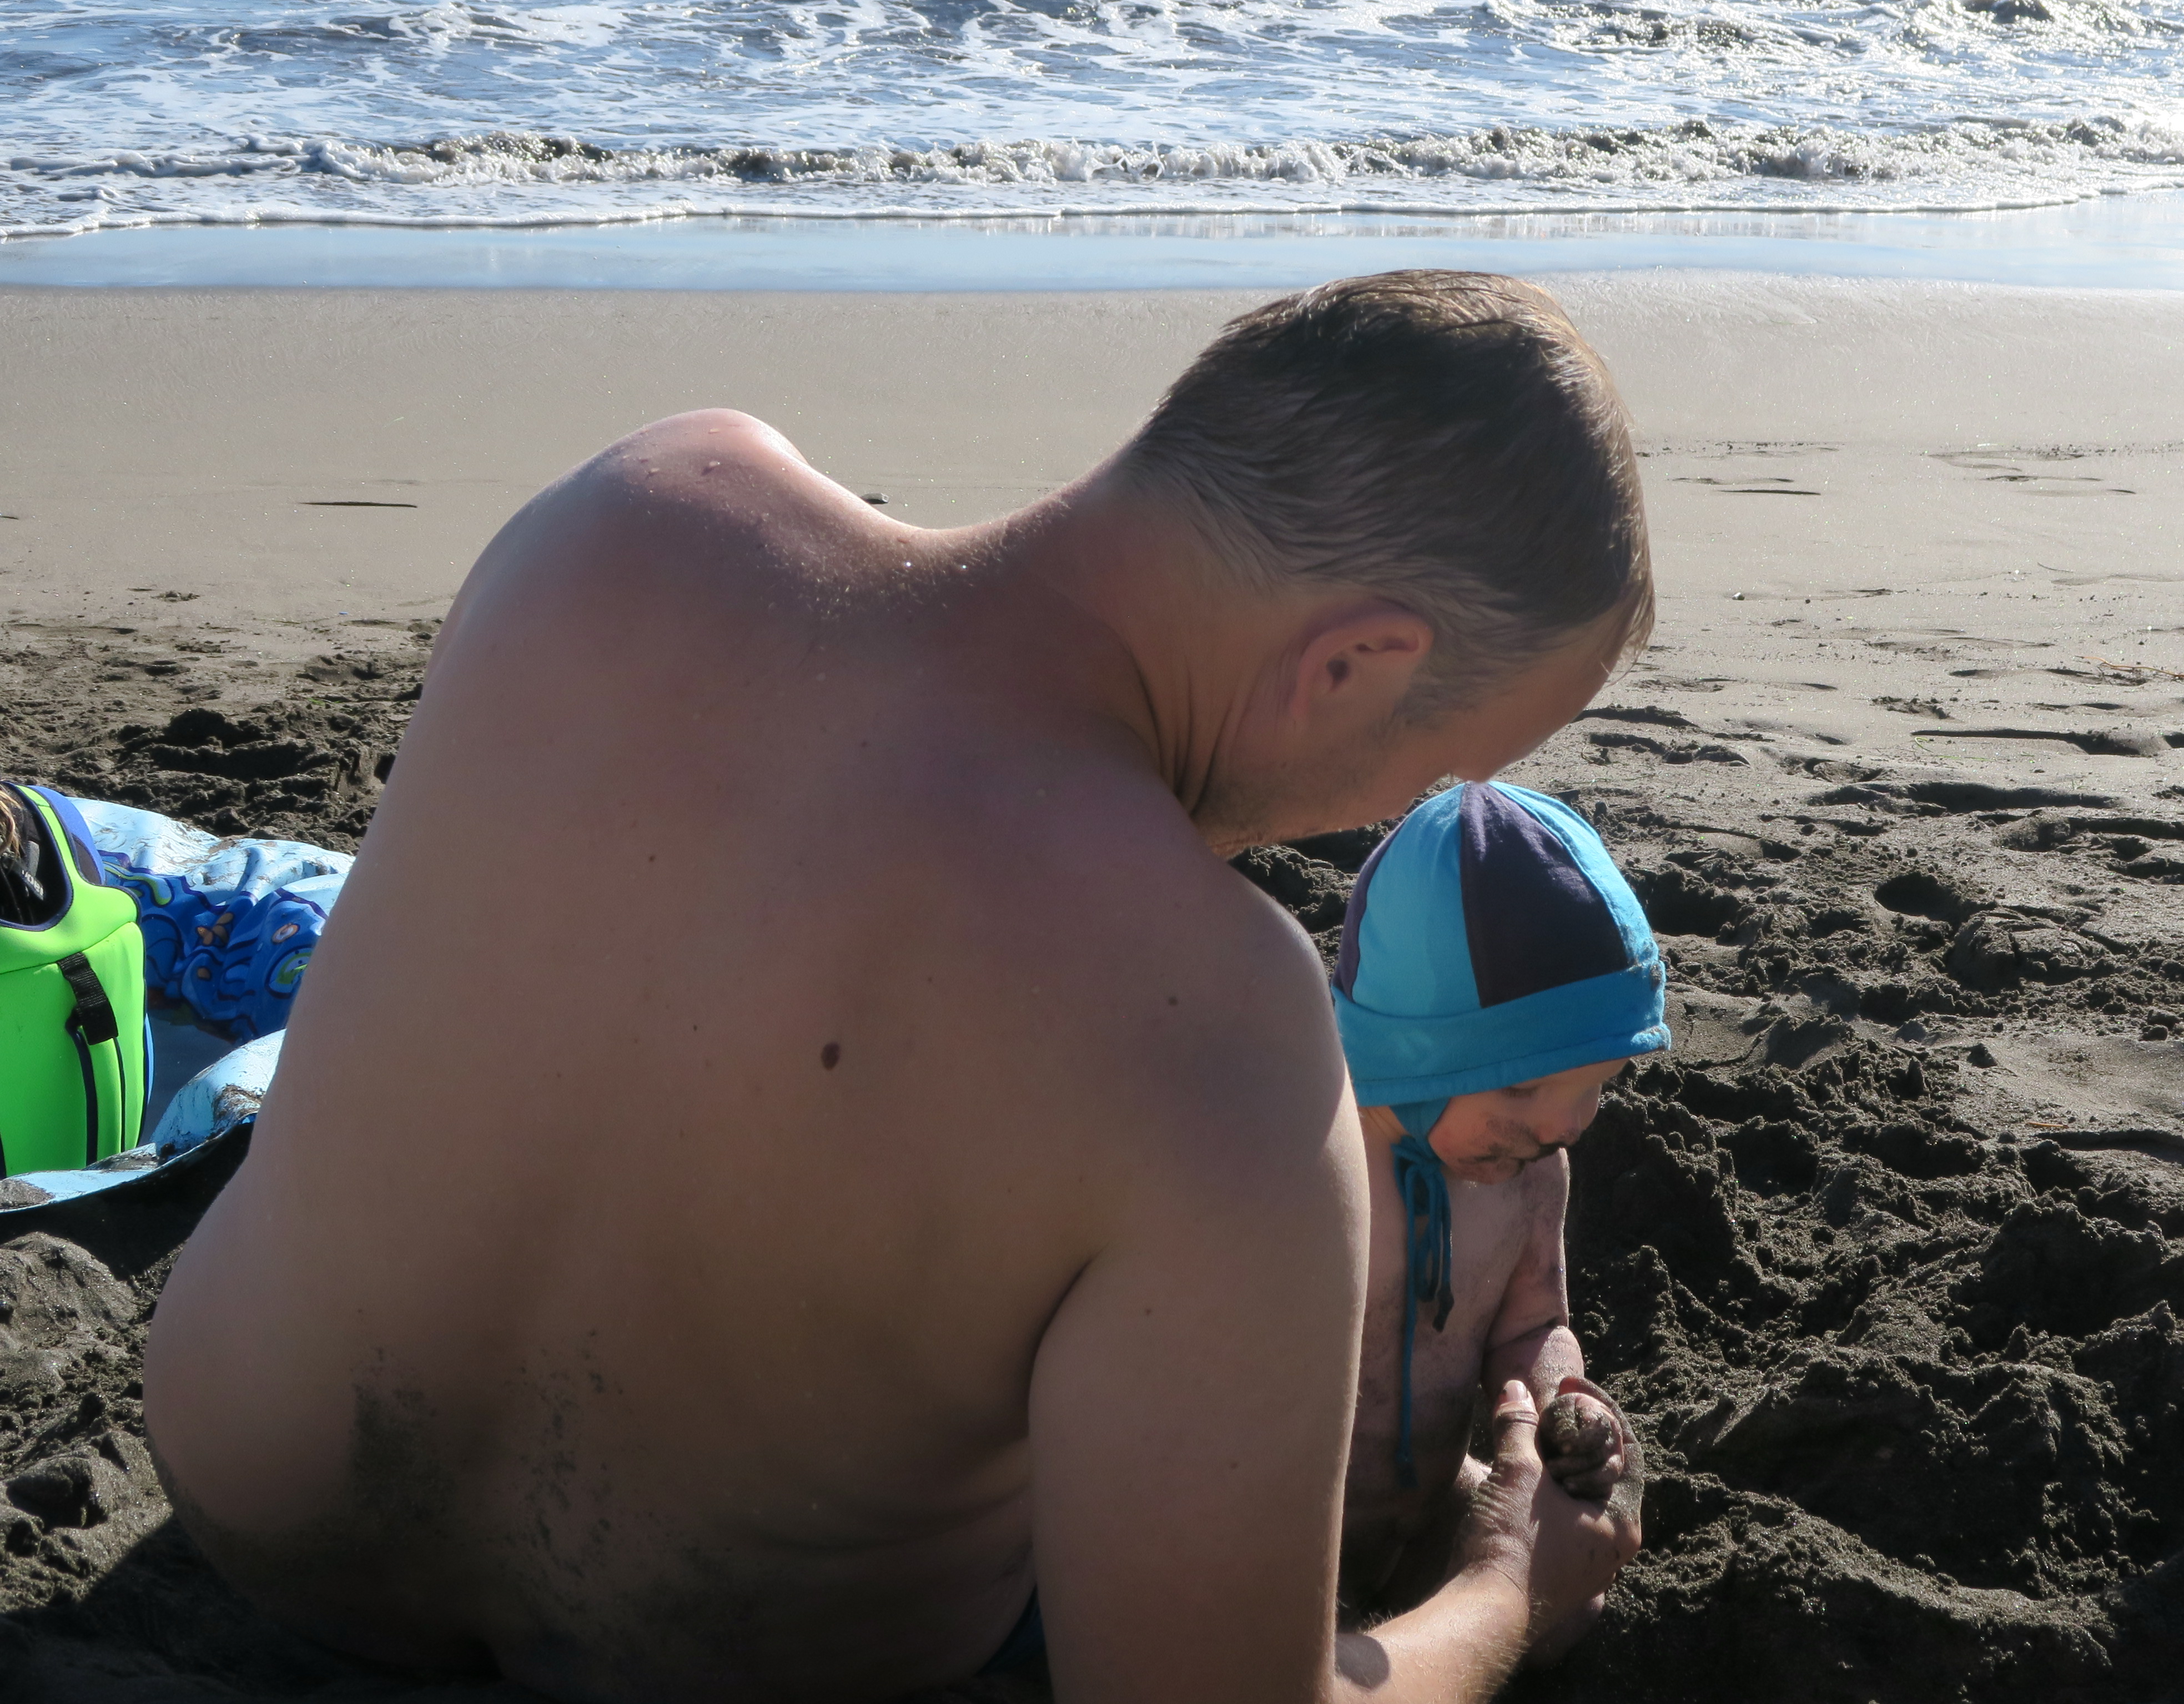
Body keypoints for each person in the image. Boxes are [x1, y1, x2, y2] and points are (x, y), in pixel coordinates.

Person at [143, 270, 1653, 1703]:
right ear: (1353, 664)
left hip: (249, 1511)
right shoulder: (1226, 1031)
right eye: (1443, 763)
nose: (1390, 808)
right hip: (713, 1667)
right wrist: (1513, 1586)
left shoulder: (642, 504)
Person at [1326, 780, 1661, 1643]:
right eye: (1520, 1086)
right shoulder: (1305, 1172)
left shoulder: (1530, 1172)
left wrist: (1562, 1399)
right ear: (1403, 1055)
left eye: (1598, 1084)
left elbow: (1534, 1322)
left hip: (1430, 1508)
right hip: (1279, 1537)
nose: (1561, 1126)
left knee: (1572, 1607)